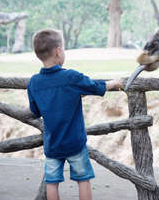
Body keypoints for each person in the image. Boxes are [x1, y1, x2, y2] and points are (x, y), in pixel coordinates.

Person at [27, 28, 123, 200]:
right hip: (74, 143)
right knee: (83, 179)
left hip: (52, 144)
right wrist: (112, 83)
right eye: (63, 49)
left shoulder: (34, 82)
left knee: (52, 182)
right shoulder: (70, 77)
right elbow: (93, 86)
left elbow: (35, 111)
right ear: (58, 51)